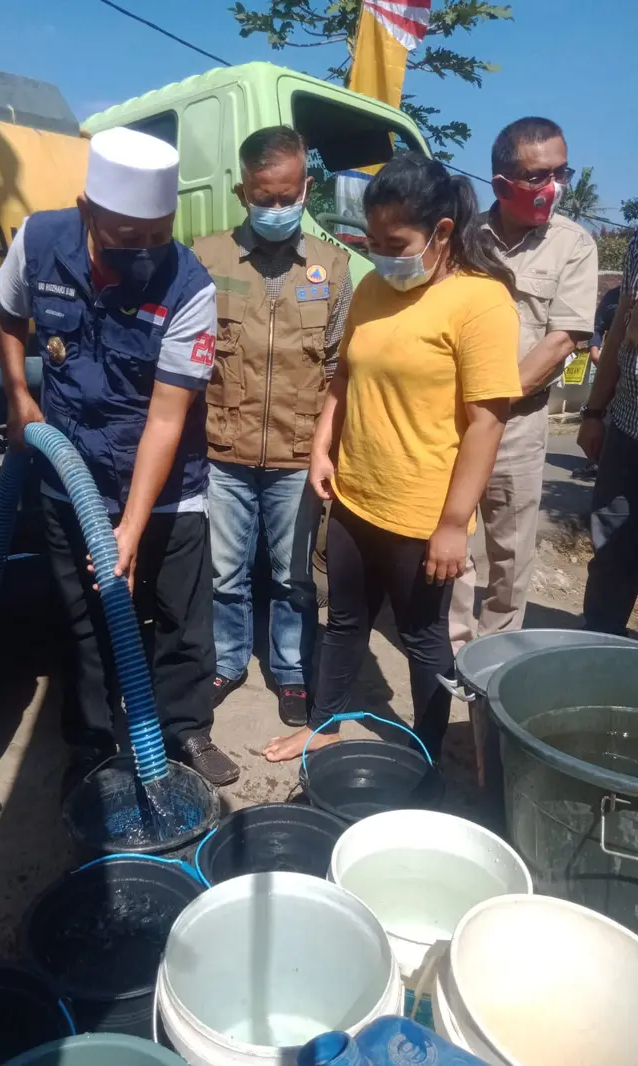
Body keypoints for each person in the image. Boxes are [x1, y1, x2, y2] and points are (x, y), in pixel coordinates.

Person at [0, 126, 239, 787]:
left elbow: (165, 415)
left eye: (157, 232)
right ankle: (94, 744)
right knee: (83, 618)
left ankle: (185, 732)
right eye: (128, 234)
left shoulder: (189, 285)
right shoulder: (39, 243)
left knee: (183, 622)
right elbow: (6, 315)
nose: (144, 249)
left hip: (166, 489)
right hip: (69, 480)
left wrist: (129, 529)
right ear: (87, 211)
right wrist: (19, 395)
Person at [263, 153, 521, 763]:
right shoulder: (375, 287)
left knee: (424, 638)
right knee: (346, 622)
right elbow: (345, 375)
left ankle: (427, 756)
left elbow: (488, 421)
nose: (379, 251)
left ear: (441, 232)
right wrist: (324, 447)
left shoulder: (481, 304)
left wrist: (454, 524)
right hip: (356, 494)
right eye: (371, 239)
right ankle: (324, 724)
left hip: (424, 511)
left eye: (393, 240)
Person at [194, 127, 352, 726]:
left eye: (289, 197)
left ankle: (289, 669)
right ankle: (229, 660)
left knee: (293, 578)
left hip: (296, 454)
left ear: (307, 188)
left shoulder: (333, 267)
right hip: (222, 450)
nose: (279, 208)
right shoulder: (205, 260)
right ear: (242, 191)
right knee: (224, 572)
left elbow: (338, 366)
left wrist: (326, 449)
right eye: (266, 197)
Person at [450, 117, 598, 649]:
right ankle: (454, 650)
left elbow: (562, 340)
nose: (553, 186)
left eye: (561, 171)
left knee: (511, 548)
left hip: (518, 420)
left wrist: (493, 402)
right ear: (500, 182)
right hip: (454, 419)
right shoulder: (460, 235)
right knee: (454, 532)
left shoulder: (573, 245)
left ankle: (498, 652)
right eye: (539, 175)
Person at [578, 231, 638, 633]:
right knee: (611, 546)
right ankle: (597, 651)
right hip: (627, 427)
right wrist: (594, 411)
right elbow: (620, 327)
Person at [572, 284, 620, 481]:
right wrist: (594, 352)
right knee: (601, 414)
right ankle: (596, 461)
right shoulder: (613, 296)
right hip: (610, 366)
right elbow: (598, 328)